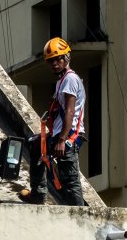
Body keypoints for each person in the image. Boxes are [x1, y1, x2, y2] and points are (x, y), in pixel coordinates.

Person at [21, 37, 86, 206]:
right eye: (51, 61)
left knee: (69, 178)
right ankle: (38, 193)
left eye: (58, 59)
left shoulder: (70, 79)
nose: (54, 63)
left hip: (69, 135)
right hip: (60, 134)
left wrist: (62, 139)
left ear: (67, 58)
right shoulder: (61, 82)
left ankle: (80, 215)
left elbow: (70, 111)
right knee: (35, 145)